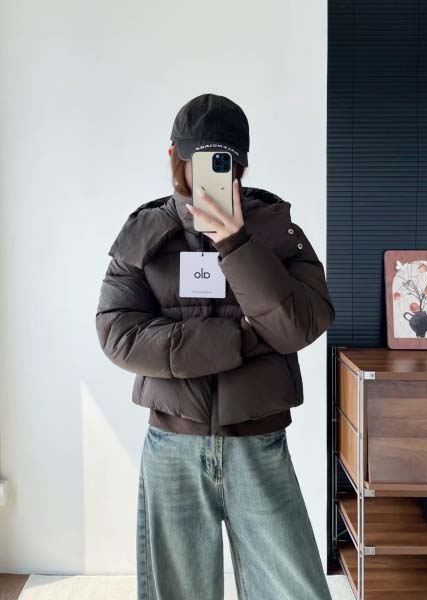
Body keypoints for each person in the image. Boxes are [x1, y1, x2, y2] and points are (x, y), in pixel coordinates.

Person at [96, 93, 336, 600]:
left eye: (221, 162)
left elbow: (300, 326)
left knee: (294, 592)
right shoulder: (144, 234)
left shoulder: (276, 230)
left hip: (259, 443)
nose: (209, 175)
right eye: (198, 160)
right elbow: (118, 334)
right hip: (172, 447)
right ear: (174, 157)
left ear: (241, 164)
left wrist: (236, 245)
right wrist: (240, 338)